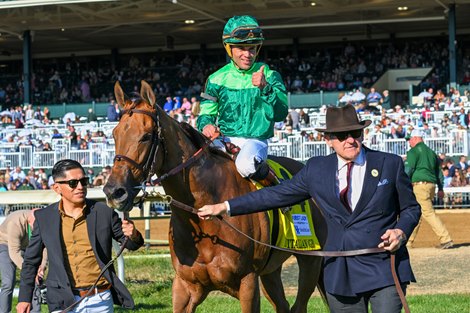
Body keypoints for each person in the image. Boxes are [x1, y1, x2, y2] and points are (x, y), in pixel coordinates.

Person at [198, 104, 421, 313]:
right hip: (339, 271)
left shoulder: (389, 164)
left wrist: (400, 231)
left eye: (356, 134)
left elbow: (411, 209)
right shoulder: (317, 169)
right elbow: (275, 195)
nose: (351, 140)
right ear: (329, 140)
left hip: (384, 267)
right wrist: (226, 206)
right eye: (342, 136)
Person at [17, 159, 144, 313]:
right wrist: (24, 298)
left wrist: (133, 235)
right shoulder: (44, 218)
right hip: (62, 300)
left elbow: (130, 244)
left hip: (100, 300)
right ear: (57, 188)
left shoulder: (104, 212)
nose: (80, 187)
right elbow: (31, 261)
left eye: (83, 181)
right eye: (73, 183)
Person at [197, 15, 288, 185]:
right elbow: (205, 114)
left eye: (252, 48)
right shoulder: (215, 79)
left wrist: (265, 88)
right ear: (229, 48)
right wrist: (206, 125)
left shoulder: (271, 76)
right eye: (241, 48)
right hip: (223, 141)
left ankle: (280, 189)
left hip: (255, 141)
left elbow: (281, 113)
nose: (248, 54)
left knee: (245, 165)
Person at [405, 129, 454, 249]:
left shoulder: (413, 151)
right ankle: (408, 243)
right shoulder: (432, 153)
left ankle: (445, 239)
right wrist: (441, 188)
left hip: (419, 186)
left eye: (410, 139)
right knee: (417, 213)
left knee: (428, 213)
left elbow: (408, 169)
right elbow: (439, 173)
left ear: (416, 138)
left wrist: (403, 184)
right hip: (431, 185)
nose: (409, 142)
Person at [0, 209, 46, 313]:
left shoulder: (42, 223)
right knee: (8, 282)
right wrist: (30, 271)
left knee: (36, 279)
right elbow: (14, 252)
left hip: (26, 246)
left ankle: (35, 311)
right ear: (30, 220)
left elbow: (44, 247)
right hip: (5, 244)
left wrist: (42, 267)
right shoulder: (15, 223)